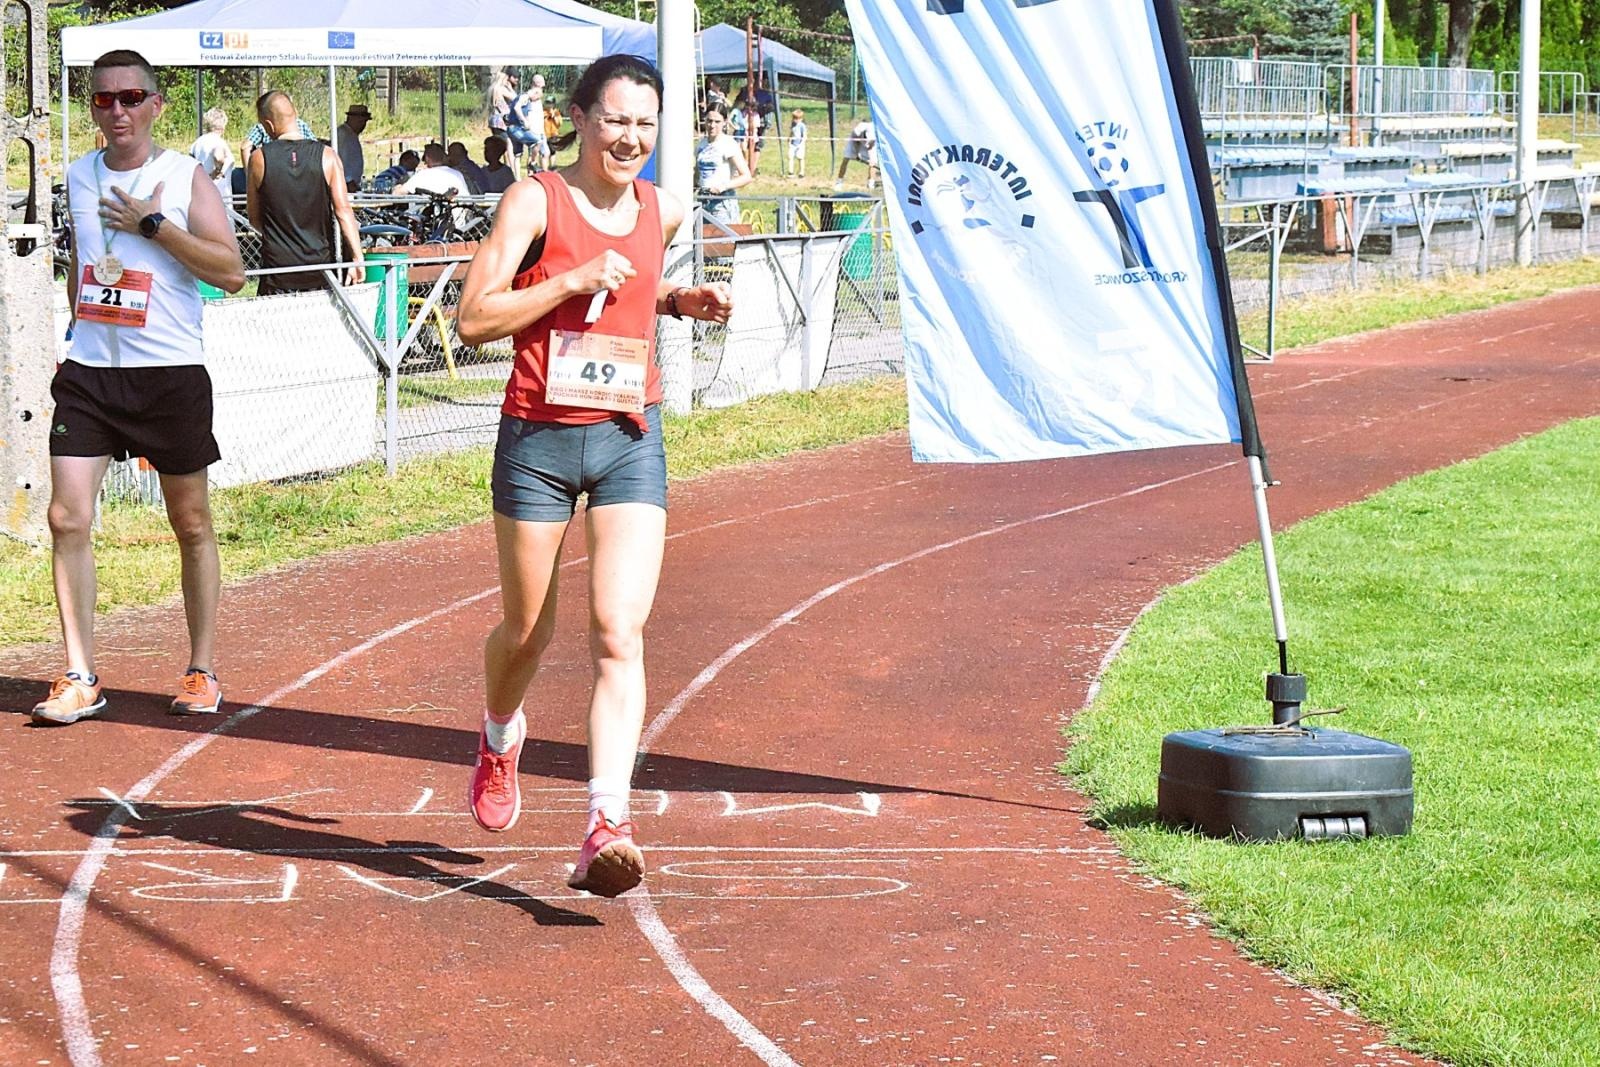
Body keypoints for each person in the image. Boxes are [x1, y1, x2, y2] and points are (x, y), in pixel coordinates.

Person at [454, 53, 732, 898]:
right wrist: (569, 278)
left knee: (618, 630)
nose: (631, 138)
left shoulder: (664, 207)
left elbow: (632, 294)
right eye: (615, 119)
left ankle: (605, 820)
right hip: (538, 440)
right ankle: (501, 734)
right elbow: (471, 318)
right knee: (526, 634)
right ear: (577, 117)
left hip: (626, 439)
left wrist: (675, 302)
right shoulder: (534, 199)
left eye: (645, 124)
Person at [33, 49, 245, 726]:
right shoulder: (77, 174)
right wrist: (73, 339)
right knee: (66, 517)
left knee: (190, 521)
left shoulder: (184, 177)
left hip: (169, 374)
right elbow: (85, 264)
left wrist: (155, 225)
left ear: (157, 104)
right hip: (92, 373)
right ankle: (79, 674)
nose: (116, 111)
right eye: (102, 100)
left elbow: (233, 271)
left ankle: (203, 668)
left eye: (130, 98)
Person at [246, 90, 364, 296]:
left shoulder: (259, 159)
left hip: (277, 268)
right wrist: (357, 257)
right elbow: (343, 211)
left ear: (268, 125)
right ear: (296, 114)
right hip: (320, 267)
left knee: (274, 327)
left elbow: (254, 218)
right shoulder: (328, 156)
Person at [695, 107, 751, 227]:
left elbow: (746, 176)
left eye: (717, 122)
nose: (712, 125)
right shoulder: (701, 145)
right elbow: (697, 174)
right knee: (702, 243)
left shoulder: (728, 144)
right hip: (702, 201)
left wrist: (723, 186)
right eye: (709, 121)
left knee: (723, 243)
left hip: (722, 203)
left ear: (725, 122)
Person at [188, 106, 234, 201]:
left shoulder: (197, 143)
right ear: (223, 125)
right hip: (220, 195)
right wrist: (217, 171)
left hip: (200, 193)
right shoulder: (218, 141)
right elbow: (218, 156)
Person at [395, 142, 470, 198]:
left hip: (433, 217)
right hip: (459, 217)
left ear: (427, 159)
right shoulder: (457, 174)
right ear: (444, 157)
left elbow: (398, 193)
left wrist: (397, 187)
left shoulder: (422, 175)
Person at [835, 116, 878, 190]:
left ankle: (871, 184)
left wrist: (871, 160)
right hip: (855, 141)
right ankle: (839, 182)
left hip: (869, 144)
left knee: (873, 163)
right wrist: (857, 154)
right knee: (845, 159)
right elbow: (856, 140)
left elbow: (871, 145)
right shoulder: (860, 128)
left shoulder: (875, 130)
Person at [335, 103, 370, 192]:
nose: (363, 125)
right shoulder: (343, 135)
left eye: (364, 122)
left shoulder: (351, 135)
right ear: (351, 118)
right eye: (360, 121)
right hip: (345, 186)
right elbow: (339, 159)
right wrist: (348, 181)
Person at [785, 108, 807, 179]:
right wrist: (789, 139)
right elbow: (791, 132)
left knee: (800, 158)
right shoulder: (793, 125)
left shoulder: (802, 126)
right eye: (794, 118)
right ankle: (790, 172)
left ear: (801, 118)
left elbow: (804, 135)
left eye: (798, 118)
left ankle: (801, 172)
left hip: (800, 144)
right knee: (790, 157)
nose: (796, 120)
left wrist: (802, 143)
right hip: (792, 144)